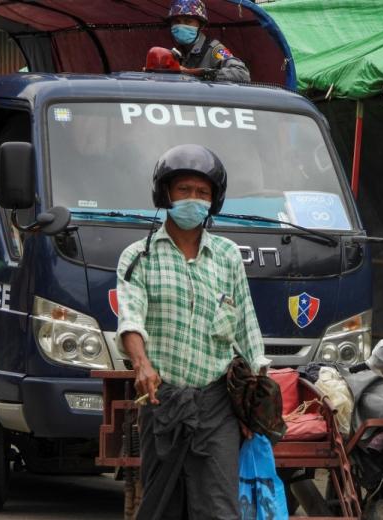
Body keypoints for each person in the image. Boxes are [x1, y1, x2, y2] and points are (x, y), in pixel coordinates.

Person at [117, 144, 268, 519]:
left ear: (214, 201)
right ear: (165, 194)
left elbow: (248, 329)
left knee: (218, 507)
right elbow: (130, 319)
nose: (193, 200)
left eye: (203, 193)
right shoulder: (139, 256)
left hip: (217, 404)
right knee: (163, 504)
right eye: (184, 190)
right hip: (161, 402)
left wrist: (257, 396)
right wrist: (142, 365)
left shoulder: (229, 256)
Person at [167, 0, 251, 83]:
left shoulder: (214, 49)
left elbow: (242, 74)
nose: (181, 26)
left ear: (201, 25)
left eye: (188, 21)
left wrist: (199, 73)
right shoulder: (176, 52)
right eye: (177, 22)